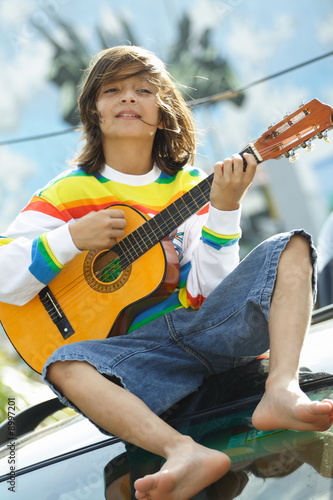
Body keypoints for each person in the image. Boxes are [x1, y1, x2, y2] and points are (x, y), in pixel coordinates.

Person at [0, 45, 332, 500]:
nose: (128, 98)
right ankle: (182, 451)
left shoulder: (191, 187)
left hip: (204, 332)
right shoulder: (65, 195)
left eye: (143, 90)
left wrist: (225, 211)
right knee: (64, 366)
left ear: (164, 110)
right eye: (112, 89)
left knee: (293, 245)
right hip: (139, 361)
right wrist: (70, 239)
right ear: (93, 111)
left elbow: (213, 292)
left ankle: (281, 390)